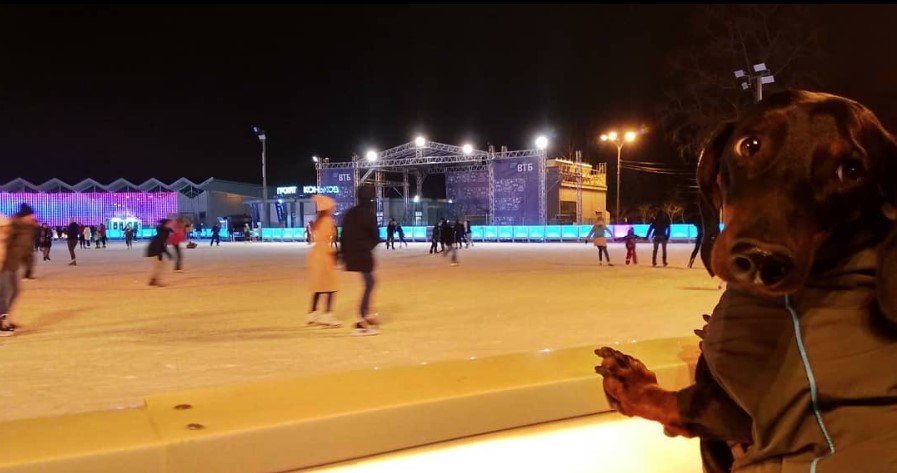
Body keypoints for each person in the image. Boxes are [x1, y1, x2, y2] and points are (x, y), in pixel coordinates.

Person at [339, 186, 381, 336]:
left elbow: (343, 235)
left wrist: (343, 254)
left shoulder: (351, 212)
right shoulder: (369, 213)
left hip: (351, 253)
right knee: (370, 283)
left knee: (370, 282)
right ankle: (361, 320)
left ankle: (366, 314)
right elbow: (375, 236)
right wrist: (368, 246)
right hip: (362, 253)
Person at [0, 204, 38, 335]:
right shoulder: (12, 226)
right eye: (29, 216)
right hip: (4, 264)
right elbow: (3, 244)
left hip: (14, 265)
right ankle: (2, 322)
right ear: (23, 216)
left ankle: (4, 317)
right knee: (3, 294)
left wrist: (29, 267)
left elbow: (27, 249)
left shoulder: (29, 229)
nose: (32, 218)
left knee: (15, 291)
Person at [306, 195, 340, 328]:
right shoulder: (328, 221)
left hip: (315, 254)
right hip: (324, 254)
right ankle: (328, 315)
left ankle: (312, 314)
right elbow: (330, 237)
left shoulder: (317, 221)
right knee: (332, 286)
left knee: (318, 287)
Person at [146, 219, 172, 287]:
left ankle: (153, 280)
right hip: (153, 252)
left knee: (159, 266)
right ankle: (156, 281)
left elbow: (162, 246)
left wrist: (167, 254)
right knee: (158, 266)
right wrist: (159, 255)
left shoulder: (163, 232)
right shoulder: (162, 234)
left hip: (153, 252)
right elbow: (158, 245)